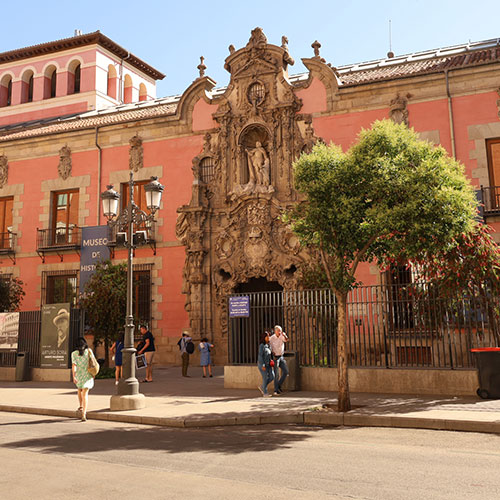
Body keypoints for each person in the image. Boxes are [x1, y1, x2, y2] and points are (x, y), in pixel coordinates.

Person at [71, 337, 95, 422]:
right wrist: (94, 373)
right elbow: (93, 363)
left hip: (79, 376)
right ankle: (84, 413)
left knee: (79, 389)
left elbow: (74, 366)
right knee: (85, 394)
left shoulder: (74, 354)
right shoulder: (89, 351)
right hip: (88, 375)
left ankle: (81, 406)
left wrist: (74, 376)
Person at [269, 324, 289, 395]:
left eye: (280, 331)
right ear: (275, 331)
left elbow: (286, 340)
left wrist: (285, 335)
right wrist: (272, 352)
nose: (280, 332)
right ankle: (276, 390)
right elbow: (269, 347)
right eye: (278, 331)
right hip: (275, 357)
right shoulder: (271, 338)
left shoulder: (281, 337)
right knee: (276, 374)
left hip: (281, 356)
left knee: (286, 371)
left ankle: (279, 385)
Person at [257, 331, 274, 397]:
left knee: (272, 377)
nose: (268, 337)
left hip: (268, 364)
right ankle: (265, 393)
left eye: (269, 336)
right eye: (267, 336)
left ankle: (262, 387)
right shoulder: (262, 346)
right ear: (264, 337)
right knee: (265, 378)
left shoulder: (268, 345)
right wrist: (263, 365)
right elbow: (260, 356)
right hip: (262, 364)